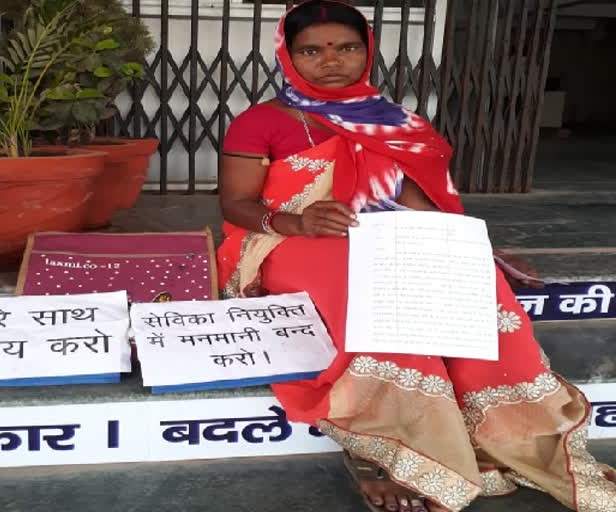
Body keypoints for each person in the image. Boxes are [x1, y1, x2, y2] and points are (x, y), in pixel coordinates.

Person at [216, 2, 616, 511]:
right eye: (311, 51)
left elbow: (418, 203)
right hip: (285, 239)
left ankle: (493, 429)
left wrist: (472, 251)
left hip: (381, 234)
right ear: (289, 57)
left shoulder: (395, 121)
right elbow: (237, 204)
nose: (331, 60)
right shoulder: (262, 121)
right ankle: (391, 448)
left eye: (347, 47)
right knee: (365, 287)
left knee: (474, 282)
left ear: (367, 52)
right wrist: (299, 221)